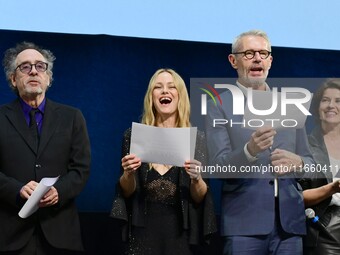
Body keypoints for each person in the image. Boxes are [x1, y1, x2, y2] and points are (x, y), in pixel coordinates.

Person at [205, 30, 315, 254]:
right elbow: (218, 166)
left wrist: (299, 163)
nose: (257, 58)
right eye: (249, 53)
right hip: (244, 224)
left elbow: (311, 163)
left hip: (290, 226)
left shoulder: (290, 105)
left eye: (263, 53)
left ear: (270, 61)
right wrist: (248, 151)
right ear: (233, 60)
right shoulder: (218, 105)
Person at [110, 68, 217, 255]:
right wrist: (127, 173)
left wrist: (196, 178)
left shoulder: (196, 139)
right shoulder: (133, 136)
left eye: (171, 87)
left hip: (179, 235)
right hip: (142, 233)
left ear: (180, 96)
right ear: (151, 96)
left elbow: (200, 197)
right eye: (158, 87)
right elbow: (126, 191)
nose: (165, 91)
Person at [0, 42, 91, 254]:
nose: (33, 71)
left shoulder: (72, 117)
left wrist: (59, 191)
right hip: (10, 235)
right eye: (25, 67)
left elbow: (81, 169)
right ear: (13, 79)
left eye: (40, 66)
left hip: (60, 234)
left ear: (48, 78)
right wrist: (17, 189)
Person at [299, 79, 340, 255]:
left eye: (338, 101)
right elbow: (295, 197)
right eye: (325, 100)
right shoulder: (303, 145)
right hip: (323, 230)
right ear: (317, 107)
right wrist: (332, 188)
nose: (331, 105)